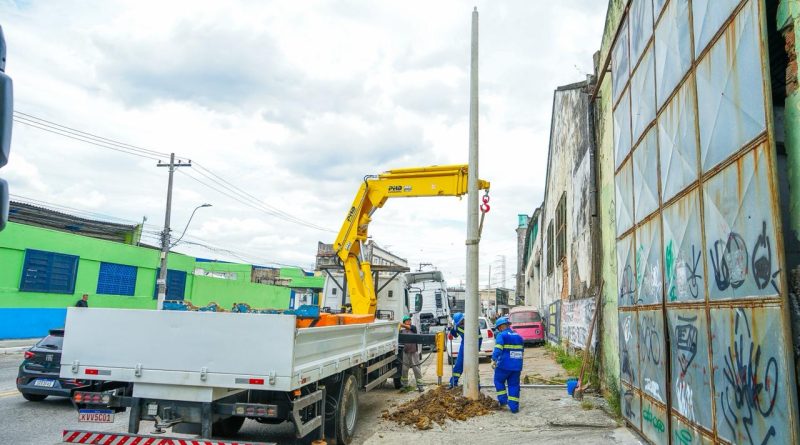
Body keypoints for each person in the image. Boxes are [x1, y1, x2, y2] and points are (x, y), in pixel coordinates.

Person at [492, 316, 524, 413]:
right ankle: (514, 408)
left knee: (498, 381)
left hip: (504, 365)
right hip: (517, 366)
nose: (498, 330)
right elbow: (521, 351)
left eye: (498, 328)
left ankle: (503, 401)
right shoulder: (518, 336)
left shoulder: (501, 335)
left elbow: (498, 348)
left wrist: (494, 359)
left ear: (501, 327)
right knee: (514, 385)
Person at [448, 312, 483, 388]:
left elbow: (480, 338)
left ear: (463, 319)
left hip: (473, 346)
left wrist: (477, 349)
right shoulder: (457, 326)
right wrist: (451, 330)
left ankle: (477, 385)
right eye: (459, 323)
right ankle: (453, 383)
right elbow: (455, 335)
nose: (461, 324)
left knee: (473, 366)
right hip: (464, 345)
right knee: (459, 364)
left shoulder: (473, 325)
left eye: (461, 322)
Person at [399, 315, 424, 392]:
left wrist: (399, 324)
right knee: (404, 369)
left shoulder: (413, 328)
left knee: (416, 368)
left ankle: (420, 385)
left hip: (413, 352)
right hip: (405, 352)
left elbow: (409, 327)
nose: (409, 321)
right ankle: (404, 385)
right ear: (404, 322)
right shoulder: (402, 331)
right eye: (407, 320)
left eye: (409, 320)